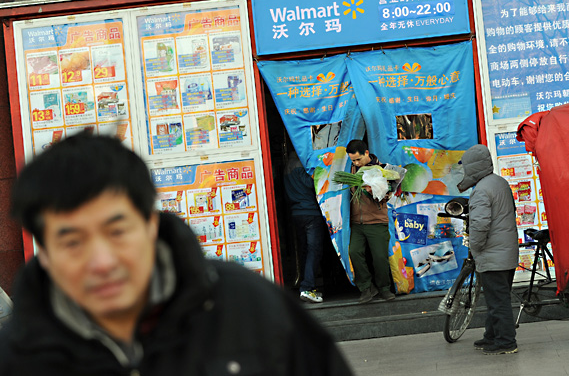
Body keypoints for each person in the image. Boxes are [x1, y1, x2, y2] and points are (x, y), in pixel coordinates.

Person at [0, 133, 352, 376]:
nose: (102, 262)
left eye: (118, 231)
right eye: (72, 242)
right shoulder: (17, 355)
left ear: (151, 225)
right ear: (44, 253)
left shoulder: (249, 306)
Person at [457, 144, 519, 355]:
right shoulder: (499, 182)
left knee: (498, 301)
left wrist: (475, 247)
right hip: (506, 252)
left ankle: (506, 342)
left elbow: (480, 225)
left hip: (494, 255)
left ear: (473, 168)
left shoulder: (481, 190)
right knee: (497, 298)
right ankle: (491, 336)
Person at [346, 139, 395, 304]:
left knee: (380, 257)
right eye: (353, 160)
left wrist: (375, 190)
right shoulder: (350, 171)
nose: (356, 163)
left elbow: (387, 197)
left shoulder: (382, 170)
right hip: (356, 223)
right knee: (354, 252)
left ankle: (384, 289)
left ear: (367, 153)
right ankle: (366, 287)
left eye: (358, 159)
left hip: (377, 221)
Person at [284, 150, 328, 304]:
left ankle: (307, 284)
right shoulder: (300, 165)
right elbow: (311, 184)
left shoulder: (287, 166)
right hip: (310, 213)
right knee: (314, 250)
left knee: (305, 250)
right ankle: (307, 287)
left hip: (297, 213)